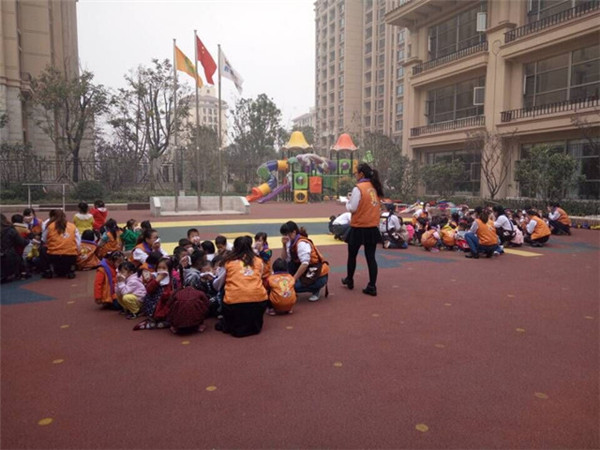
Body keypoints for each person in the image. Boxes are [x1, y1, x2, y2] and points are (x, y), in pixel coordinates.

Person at [212, 236, 269, 337]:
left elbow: (217, 284)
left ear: (235, 248)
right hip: (258, 301)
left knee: (224, 288)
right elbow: (259, 278)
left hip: (235, 303)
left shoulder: (228, 262)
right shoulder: (259, 261)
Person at [342, 162, 383, 296]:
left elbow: (353, 208)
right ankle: (372, 285)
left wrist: (347, 203)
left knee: (352, 255)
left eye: (356, 173)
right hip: (372, 226)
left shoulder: (358, 188)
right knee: (371, 257)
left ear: (361, 174)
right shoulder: (375, 187)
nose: (355, 175)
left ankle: (349, 279)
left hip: (359, 226)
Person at [280, 221, 329, 302]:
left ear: (294, 232)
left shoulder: (302, 243)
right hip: (304, 268)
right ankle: (298, 283)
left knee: (293, 287)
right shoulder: (290, 242)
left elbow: (305, 264)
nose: (285, 237)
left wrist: (293, 279)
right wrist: (284, 245)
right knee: (287, 264)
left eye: (287, 234)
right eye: (283, 235)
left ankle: (316, 289)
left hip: (316, 271)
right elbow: (284, 258)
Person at [42, 210, 80, 278]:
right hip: (70, 256)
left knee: (42, 248)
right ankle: (71, 270)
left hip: (54, 256)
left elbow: (44, 240)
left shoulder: (50, 226)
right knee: (74, 249)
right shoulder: (73, 226)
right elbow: (78, 243)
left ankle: (48, 270)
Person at [1, 214, 29, 283]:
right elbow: (22, 242)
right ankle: (21, 272)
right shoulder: (10, 230)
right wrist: (28, 240)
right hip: (8, 257)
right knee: (19, 255)